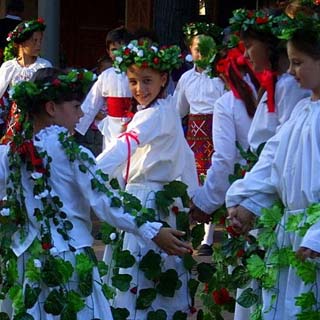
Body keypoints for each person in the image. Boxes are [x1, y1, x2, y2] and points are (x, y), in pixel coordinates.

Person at [0, 67, 191, 319]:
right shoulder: (70, 151)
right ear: (51, 108)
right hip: (69, 256)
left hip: (26, 255)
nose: (81, 115)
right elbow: (104, 200)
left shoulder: (10, 152)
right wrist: (152, 230)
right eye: (76, 106)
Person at [226, 10, 320, 320]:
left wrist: (317, 234)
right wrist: (247, 201)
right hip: (290, 235)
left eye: (298, 62)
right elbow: (272, 160)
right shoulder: (303, 110)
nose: (291, 71)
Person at [96, 40, 198, 319]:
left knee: (140, 276)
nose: (140, 89)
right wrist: (195, 197)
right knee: (154, 274)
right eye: (133, 81)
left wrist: (87, 173)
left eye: (147, 81)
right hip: (162, 200)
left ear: (164, 78)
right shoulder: (163, 111)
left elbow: (122, 148)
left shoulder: (153, 115)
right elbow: (185, 155)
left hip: (148, 201)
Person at [174, 22, 226, 256]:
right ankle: (189, 229)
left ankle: (208, 236)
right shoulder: (186, 78)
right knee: (192, 178)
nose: (200, 53)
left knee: (213, 177)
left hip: (217, 131)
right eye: (196, 48)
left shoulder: (221, 77)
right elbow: (178, 110)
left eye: (205, 47)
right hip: (195, 135)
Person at [76, 26, 132, 149]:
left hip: (134, 127)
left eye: (122, 48)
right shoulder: (105, 76)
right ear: (108, 52)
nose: (118, 53)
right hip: (111, 128)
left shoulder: (137, 74)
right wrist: (75, 129)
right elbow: (91, 104)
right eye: (114, 49)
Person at [0, 17, 52, 142]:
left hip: (37, 116)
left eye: (40, 41)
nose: (38, 44)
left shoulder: (43, 66)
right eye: (34, 41)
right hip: (15, 118)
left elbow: (49, 94)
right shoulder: (9, 66)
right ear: (22, 43)